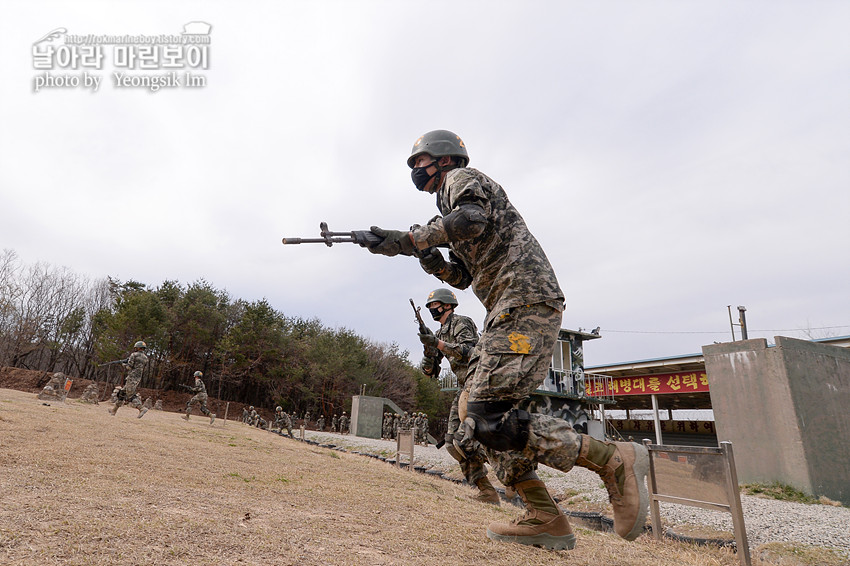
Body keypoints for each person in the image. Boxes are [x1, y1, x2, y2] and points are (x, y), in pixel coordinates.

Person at [366, 130, 649, 550]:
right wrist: (430, 261)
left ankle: (611, 461)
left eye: (420, 161)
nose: (416, 170)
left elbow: (470, 220)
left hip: (525, 300)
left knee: (482, 414)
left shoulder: (460, 181)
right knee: (473, 414)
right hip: (507, 305)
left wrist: (407, 240)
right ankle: (544, 516)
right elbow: (465, 275)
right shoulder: (448, 201)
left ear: (444, 160)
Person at [419, 288, 499, 504]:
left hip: (479, 381)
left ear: (446, 305)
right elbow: (432, 373)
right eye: (429, 307)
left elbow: (469, 352)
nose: (431, 310)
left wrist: (438, 345)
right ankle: (487, 492)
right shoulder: (438, 334)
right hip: (464, 385)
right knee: (452, 443)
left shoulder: (462, 322)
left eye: (434, 306)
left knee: (467, 440)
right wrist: (428, 355)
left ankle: (509, 471)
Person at [108, 341, 150, 419]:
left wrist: (123, 364)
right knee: (122, 393)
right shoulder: (146, 358)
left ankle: (141, 408)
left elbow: (129, 367)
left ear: (138, 347)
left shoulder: (134, 355)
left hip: (132, 377)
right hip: (138, 378)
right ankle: (114, 410)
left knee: (130, 395)